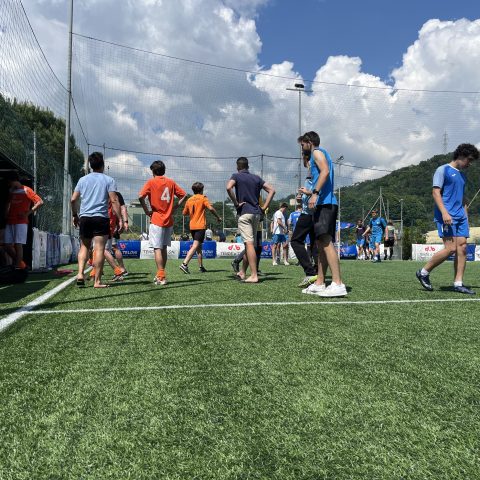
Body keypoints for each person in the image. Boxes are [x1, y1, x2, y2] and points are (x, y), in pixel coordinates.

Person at [416, 143, 479, 294]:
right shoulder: (442, 170)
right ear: (461, 156)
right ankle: (423, 272)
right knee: (451, 249)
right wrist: (444, 212)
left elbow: (462, 198)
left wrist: (466, 217)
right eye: (469, 160)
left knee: (462, 248)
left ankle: (458, 283)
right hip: (446, 216)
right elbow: (435, 193)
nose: (470, 163)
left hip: (460, 217)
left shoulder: (462, 175)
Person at [300, 131, 347, 297]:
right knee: (320, 244)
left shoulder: (317, 152)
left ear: (309, 142)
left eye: (303, 144)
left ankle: (338, 283)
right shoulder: (318, 154)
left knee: (326, 242)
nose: (302, 148)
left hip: (326, 203)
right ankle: (320, 282)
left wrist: (315, 193)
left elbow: (325, 171)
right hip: (322, 204)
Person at [71, 152, 122, 288]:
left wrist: (75, 215)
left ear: (90, 165)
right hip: (101, 218)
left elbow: (73, 199)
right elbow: (114, 200)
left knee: (84, 246)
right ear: (103, 164)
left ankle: (80, 274)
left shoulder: (82, 180)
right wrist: (120, 219)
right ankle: (97, 281)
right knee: (99, 248)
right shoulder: (109, 180)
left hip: (85, 217)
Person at [226, 157, 275, 283]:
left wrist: (236, 203)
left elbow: (228, 187)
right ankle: (243, 272)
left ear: (238, 166)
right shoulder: (256, 178)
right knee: (249, 245)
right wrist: (264, 207)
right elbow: (272, 190)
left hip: (245, 213)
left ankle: (254, 275)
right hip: (256, 214)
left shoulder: (236, 176)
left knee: (249, 244)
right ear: (248, 166)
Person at [139, 160, 187, 285]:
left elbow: (140, 196)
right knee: (164, 248)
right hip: (168, 220)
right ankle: (161, 274)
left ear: (153, 171)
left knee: (157, 249)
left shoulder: (151, 182)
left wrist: (146, 210)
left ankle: (161, 276)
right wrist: (175, 207)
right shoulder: (171, 182)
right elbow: (184, 195)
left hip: (156, 219)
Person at [4, 172, 44, 269]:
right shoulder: (11, 191)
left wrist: (27, 213)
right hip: (10, 221)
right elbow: (8, 203)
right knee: (7, 245)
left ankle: (18, 267)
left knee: (18, 244)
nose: (9, 185)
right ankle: (20, 263)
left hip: (21, 222)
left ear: (13, 181)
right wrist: (6, 214)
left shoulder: (26, 190)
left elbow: (40, 202)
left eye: (9, 183)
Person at [180, 182, 221, 274]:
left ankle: (201, 267)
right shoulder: (203, 198)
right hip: (200, 226)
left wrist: (192, 212)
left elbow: (184, 213)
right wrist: (218, 217)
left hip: (192, 226)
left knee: (199, 247)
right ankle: (184, 264)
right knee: (195, 245)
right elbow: (210, 208)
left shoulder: (189, 199)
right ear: (202, 190)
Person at [290, 168, 319, 287]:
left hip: (309, 214)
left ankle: (310, 272)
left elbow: (319, 193)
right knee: (314, 244)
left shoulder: (319, 174)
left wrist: (308, 193)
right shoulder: (310, 176)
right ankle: (318, 273)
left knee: (295, 241)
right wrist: (301, 198)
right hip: (311, 213)